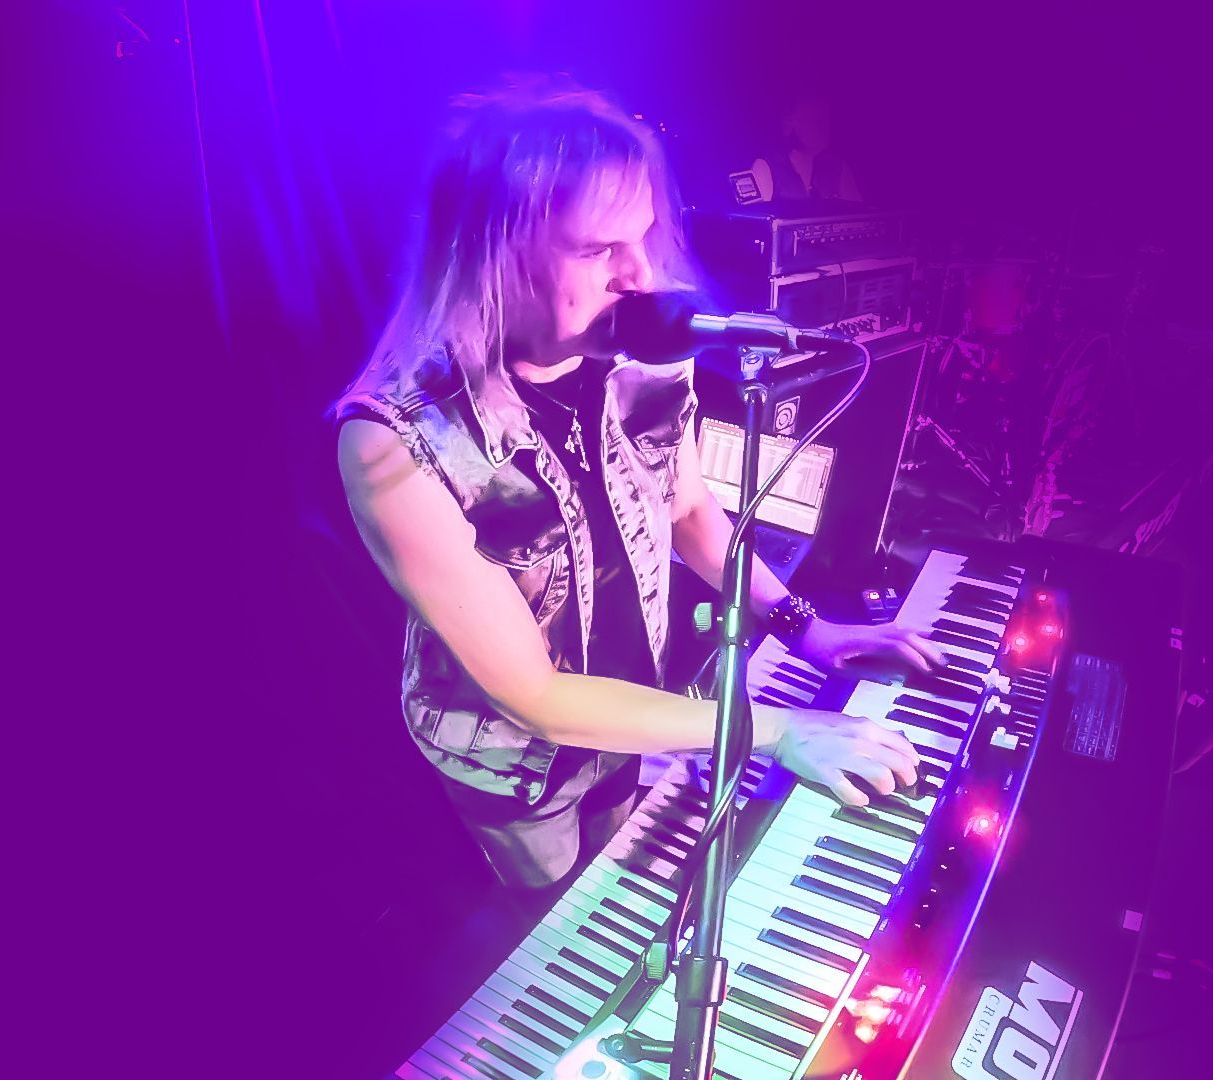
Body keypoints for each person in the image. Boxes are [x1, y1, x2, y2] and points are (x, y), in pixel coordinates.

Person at [331, 79, 940, 898]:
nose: (641, 273)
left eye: (644, 238)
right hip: (515, 766)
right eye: (595, 249)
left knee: (618, 889)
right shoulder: (391, 442)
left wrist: (804, 629)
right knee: (557, 923)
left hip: (637, 717)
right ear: (488, 252)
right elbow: (536, 697)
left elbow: (689, 507)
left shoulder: (642, 358)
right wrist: (776, 730)